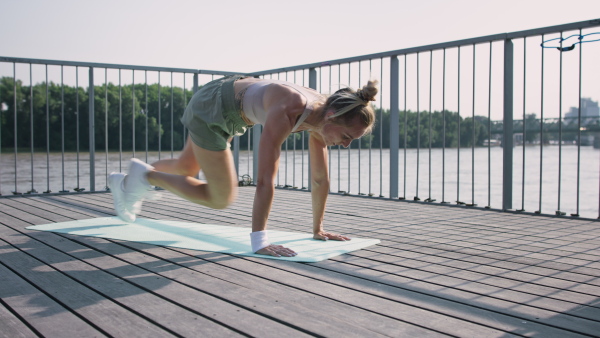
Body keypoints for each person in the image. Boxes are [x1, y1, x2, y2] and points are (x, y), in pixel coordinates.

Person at [109, 74, 378, 257]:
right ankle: (145, 177)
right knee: (220, 197)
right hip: (213, 109)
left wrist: (317, 229)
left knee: (185, 167)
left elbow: (320, 178)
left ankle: (130, 180)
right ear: (332, 117)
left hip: (223, 98)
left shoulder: (324, 115)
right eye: (346, 137)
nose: (345, 145)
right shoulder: (290, 109)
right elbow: (265, 180)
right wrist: (260, 240)